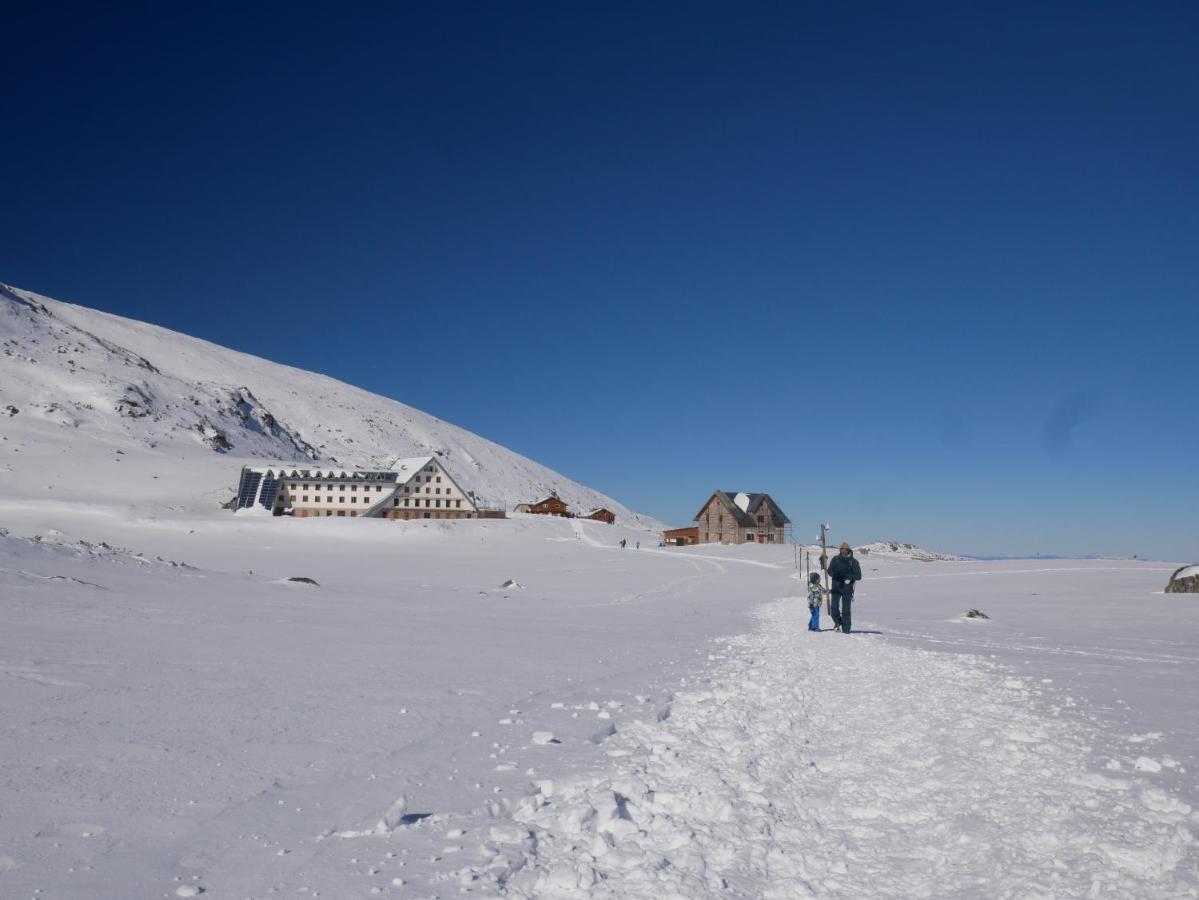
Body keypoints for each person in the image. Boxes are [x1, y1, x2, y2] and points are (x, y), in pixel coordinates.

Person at [826, 542, 862, 633]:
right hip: (836, 588)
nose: (843, 551)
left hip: (847, 589)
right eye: (841, 549)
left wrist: (847, 576)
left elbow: (858, 576)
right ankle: (838, 622)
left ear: (849, 550)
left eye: (845, 549)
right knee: (834, 608)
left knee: (846, 610)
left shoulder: (853, 562)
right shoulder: (835, 559)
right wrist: (836, 574)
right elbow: (829, 571)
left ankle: (846, 630)